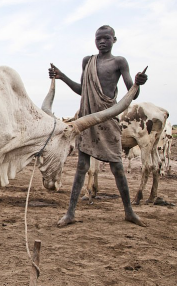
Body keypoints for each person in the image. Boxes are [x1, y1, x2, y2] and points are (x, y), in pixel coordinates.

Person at [49, 25, 148, 227]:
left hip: (107, 118)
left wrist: (138, 82)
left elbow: (132, 94)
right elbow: (81, 90)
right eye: (98, 39)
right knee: (81, 167)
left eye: (106, 38)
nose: (102, 42)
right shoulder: (88, 61)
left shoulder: (119, 62)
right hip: (87, 119)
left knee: (117, 167)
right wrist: (61, 76)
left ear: (114, 40)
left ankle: (129, 211)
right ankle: (70, 213)